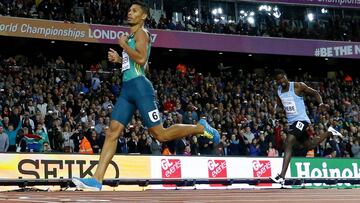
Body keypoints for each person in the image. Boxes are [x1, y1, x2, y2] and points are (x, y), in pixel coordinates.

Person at [72, 1, 219, 191]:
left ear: (143, 16)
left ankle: (200, 127)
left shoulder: (141, 33)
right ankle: (97, 180)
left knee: (160, 134)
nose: (130, 13)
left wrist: (124, 45)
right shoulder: (134, 35)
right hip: (127, 89)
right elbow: (142, 64)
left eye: (135, 11)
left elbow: (141, 59)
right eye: (129, 10)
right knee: (112, 132)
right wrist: (119, 60)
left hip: (140, 88)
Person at [270, 69, 342, 184]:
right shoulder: (279, 91)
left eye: (282, 78)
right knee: (310, 144)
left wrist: (321, 104)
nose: (281, 81)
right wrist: (277, 110)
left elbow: (315, 93)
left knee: (288, 142)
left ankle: (282, 176)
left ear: (285, 76)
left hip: (301, 120)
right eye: (278, 80)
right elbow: (279, 105)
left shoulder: (298, 86)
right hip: (291, 122)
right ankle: (329, 132)